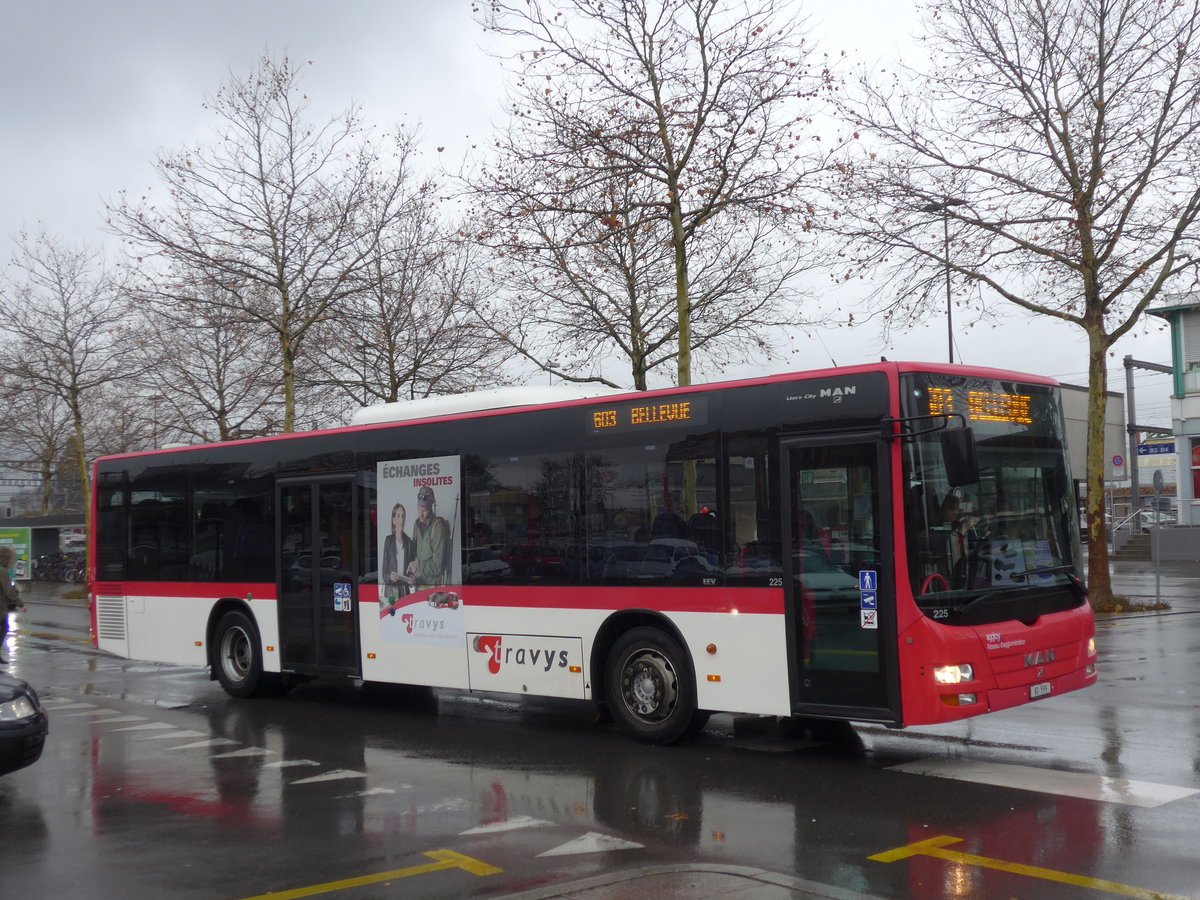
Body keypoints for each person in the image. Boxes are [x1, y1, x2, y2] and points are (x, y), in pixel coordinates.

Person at [407, 485, 451, 590]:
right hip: (419, 587)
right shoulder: (416, 525)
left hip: (433, 589)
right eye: (419, 509)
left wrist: (418, 565)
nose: (421, 515)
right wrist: (413, 576)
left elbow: (438, 566)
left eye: (425, 510)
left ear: (431, 507)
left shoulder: (438, 527)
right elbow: (416, 557)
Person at [381, 503, 415, 609]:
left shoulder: (409, 542)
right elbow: (384, 573)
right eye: (398, 516)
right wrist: (389, 578)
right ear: (393, 520)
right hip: (391, 591)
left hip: (404, 590)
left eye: (403, 516)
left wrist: (412, 579)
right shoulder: (388, 541)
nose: (401, 519)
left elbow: (411, 572)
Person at [0, 546, 27, 665]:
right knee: (4, 628)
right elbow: (9, 590)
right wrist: (20, 604)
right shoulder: (2, 571)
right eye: (11, 558)